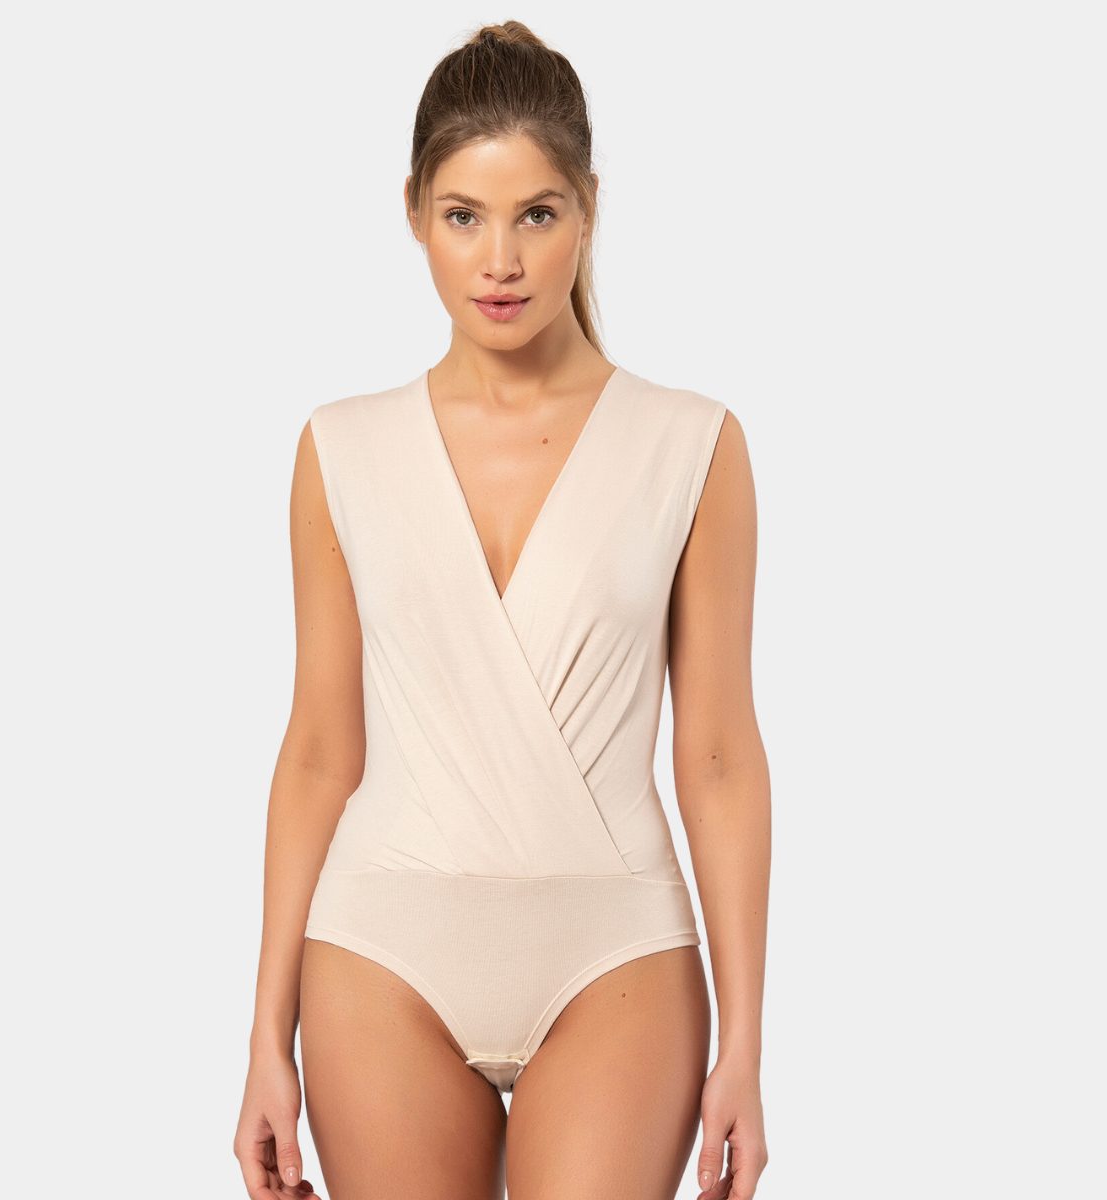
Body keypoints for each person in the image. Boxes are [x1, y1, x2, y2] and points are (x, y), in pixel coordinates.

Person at [235, 20, 770, 1200]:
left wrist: (745, 1043)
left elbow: (720, 755)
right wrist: (265, 1039)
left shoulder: (694, 446)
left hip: (617, 950)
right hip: (382, 947)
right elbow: (319, 749)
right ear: (415, 215)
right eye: (463, 216)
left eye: (536, 213)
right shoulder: (339, 449)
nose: (501, 260)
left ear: (589, 209)